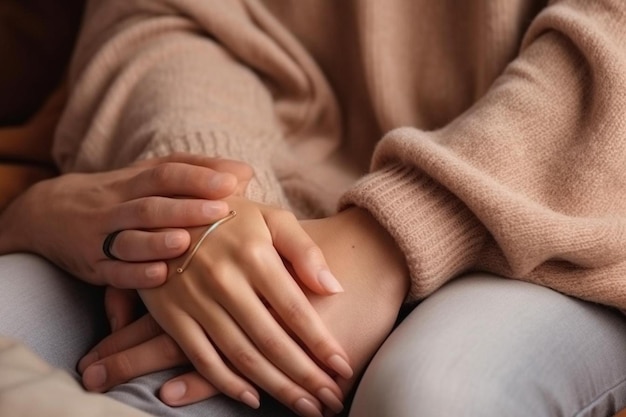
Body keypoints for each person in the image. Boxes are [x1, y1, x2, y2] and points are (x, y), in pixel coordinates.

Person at [4, 0, 626, 416]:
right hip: (248, 177)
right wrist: (210, 206)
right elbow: (164, 16)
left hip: (563, 210)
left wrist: (399, 229)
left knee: (434, 394)